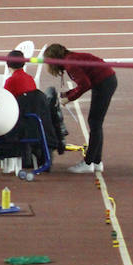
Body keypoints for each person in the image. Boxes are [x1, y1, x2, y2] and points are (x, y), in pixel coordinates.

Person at [43, 43, 117, 174]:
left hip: (104, 82)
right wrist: (67, 94)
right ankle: (96, 161)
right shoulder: (70, 59)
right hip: (104, 80)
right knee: (95, 123)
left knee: (95, 123)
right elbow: (85, 82)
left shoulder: (70, 64)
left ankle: (88, 163)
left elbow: (85, 84)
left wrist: (68, 99)